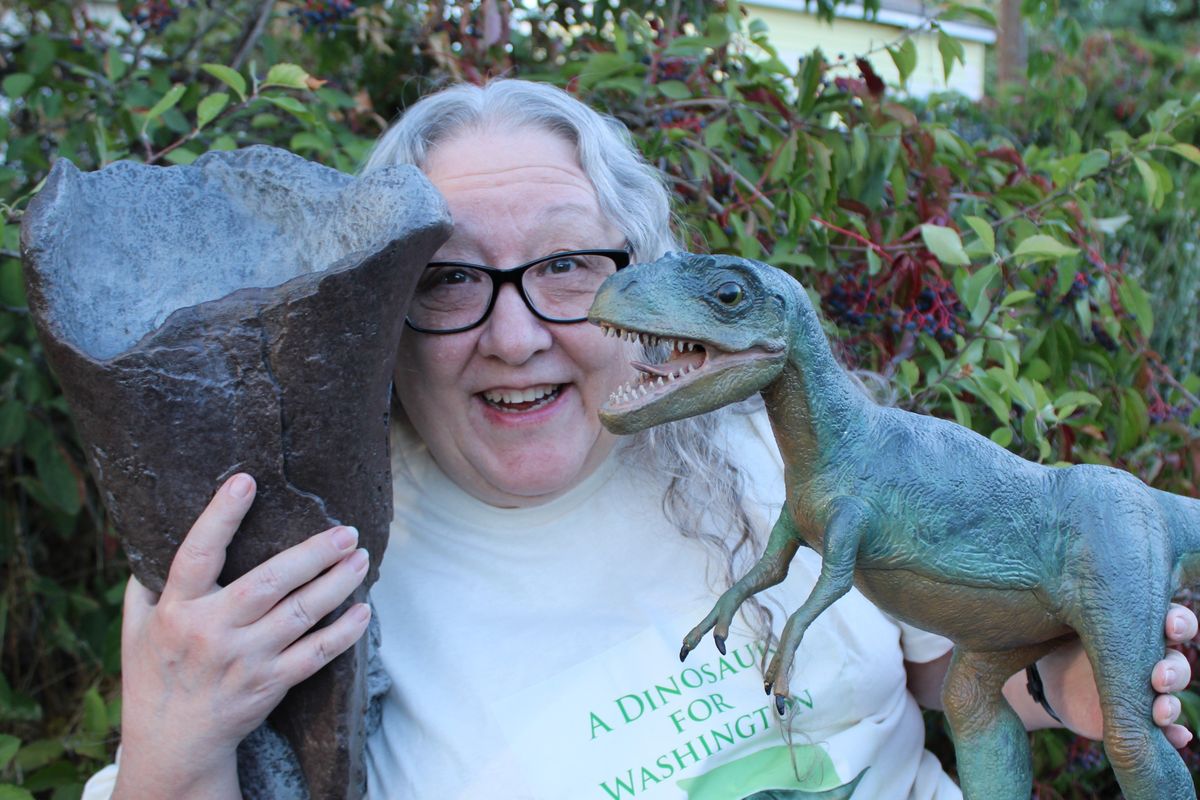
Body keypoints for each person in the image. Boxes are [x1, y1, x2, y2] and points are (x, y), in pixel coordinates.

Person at [86, 79, 1196, 800]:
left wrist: (1065, 685)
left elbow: (950, 671)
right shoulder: (311, 566)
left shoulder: (762, 447)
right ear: (381, 310)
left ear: (646, 281)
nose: (515, 337)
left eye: (568, 265)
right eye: (449, 279)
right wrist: (175, 751)